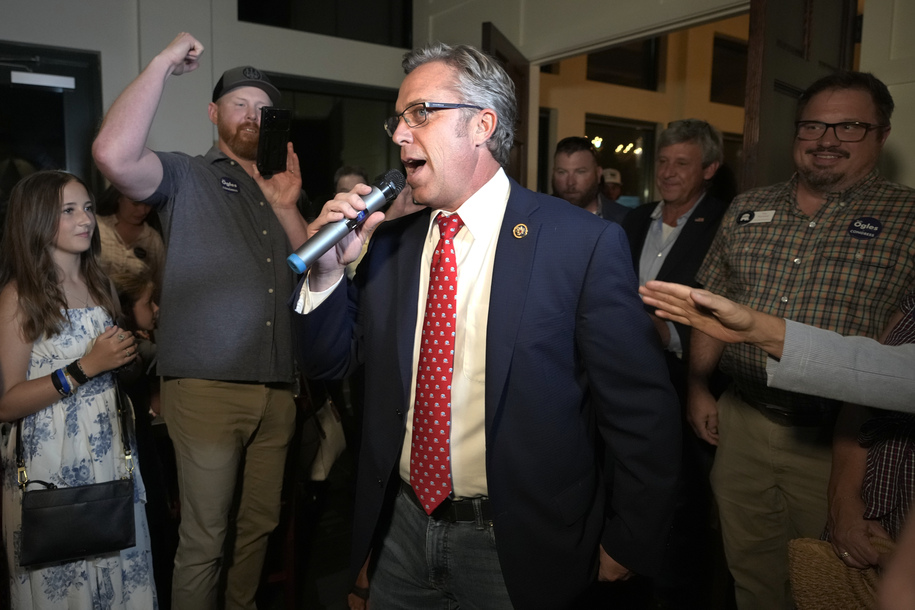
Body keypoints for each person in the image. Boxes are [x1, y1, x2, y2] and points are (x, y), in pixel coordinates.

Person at [292, 42, 681, 609]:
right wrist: (328, 272)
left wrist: (631, 538)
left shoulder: (581, 243)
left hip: (520, 544)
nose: (400, 135)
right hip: (401, 529)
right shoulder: (390, 245)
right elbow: (330, 363)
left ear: (482, 124)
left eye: (420, 113)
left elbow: (639, 411)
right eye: (397, 119)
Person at [92, 32, 308, 610]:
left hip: (278, 389)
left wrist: (288, 206)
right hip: (207, 388)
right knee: (206, 539)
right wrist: (163, 63)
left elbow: (315, 270)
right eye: (240, 104)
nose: (252, 116)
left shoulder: (282, 188)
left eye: (264, 109)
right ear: (214, 113)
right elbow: (112, 154)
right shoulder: (188, 175)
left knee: (257, 530)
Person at [688, 71, 915, 609]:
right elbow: (710, 302)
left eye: (849, 127)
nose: (826, 139)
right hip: (742, 424)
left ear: (882, 134)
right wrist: (697, 387)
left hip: (840, 442)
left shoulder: (908, 217)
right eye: (813, 125)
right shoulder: (748, 207)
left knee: (828, 586)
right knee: (750, 575)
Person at [0, 170, 156, 608]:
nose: (85, 219)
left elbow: (110, 368)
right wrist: (86, 366)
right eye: (68, 211)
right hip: (53, 462)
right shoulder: (20, 295)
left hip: (110, 453)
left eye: (87, 208)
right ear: (36, 219)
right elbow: (7, 403)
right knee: (66, 585)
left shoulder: (99, 283)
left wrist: (125, 356)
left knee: (121, 568)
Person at [620, 118, 729, 608]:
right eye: (662, 161)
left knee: (683, 500)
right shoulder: (634, 219)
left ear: (709, 169)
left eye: (681, 163)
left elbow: (729, 308)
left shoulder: (725, 223)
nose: (666, 172)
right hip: (624, 379)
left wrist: (671, 334)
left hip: (684, 381)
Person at [96, 184, 165, 287]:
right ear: (119, 197)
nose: (142, 211)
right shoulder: (98, 228)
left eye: (148, 204)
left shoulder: (153, 240)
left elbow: (160, 284)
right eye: (135, 204)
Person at [552, 136, 629, 223]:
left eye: (580, 172)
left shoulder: (626, 220)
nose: (570, 182)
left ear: (598, 174)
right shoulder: (539, 216)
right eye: (562, 172)